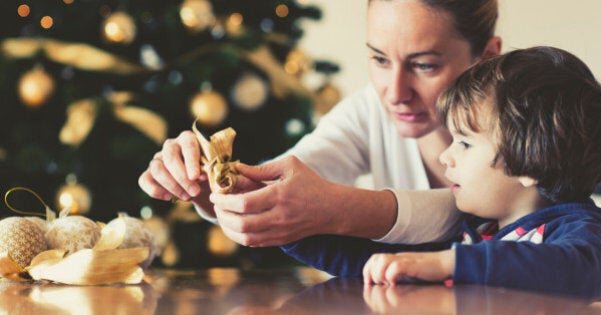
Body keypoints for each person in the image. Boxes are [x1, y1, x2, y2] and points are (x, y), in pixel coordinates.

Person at [138, 0, 502, 248]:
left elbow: (497, 217)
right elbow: (273, 187)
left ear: (487, 56)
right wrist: (208, 179)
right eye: (379, 59)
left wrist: (346, 210)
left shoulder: (533, 120)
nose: (395, 93)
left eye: (424, 65)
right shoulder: (370, 111)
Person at [284, 46, 601, 301]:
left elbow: (584, 272)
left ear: (530, 160)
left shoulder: (582, 232)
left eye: (464, 143)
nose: (447, 156)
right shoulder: (479, 233)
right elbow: (385, 262)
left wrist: (450, 264)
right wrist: (294, 229)